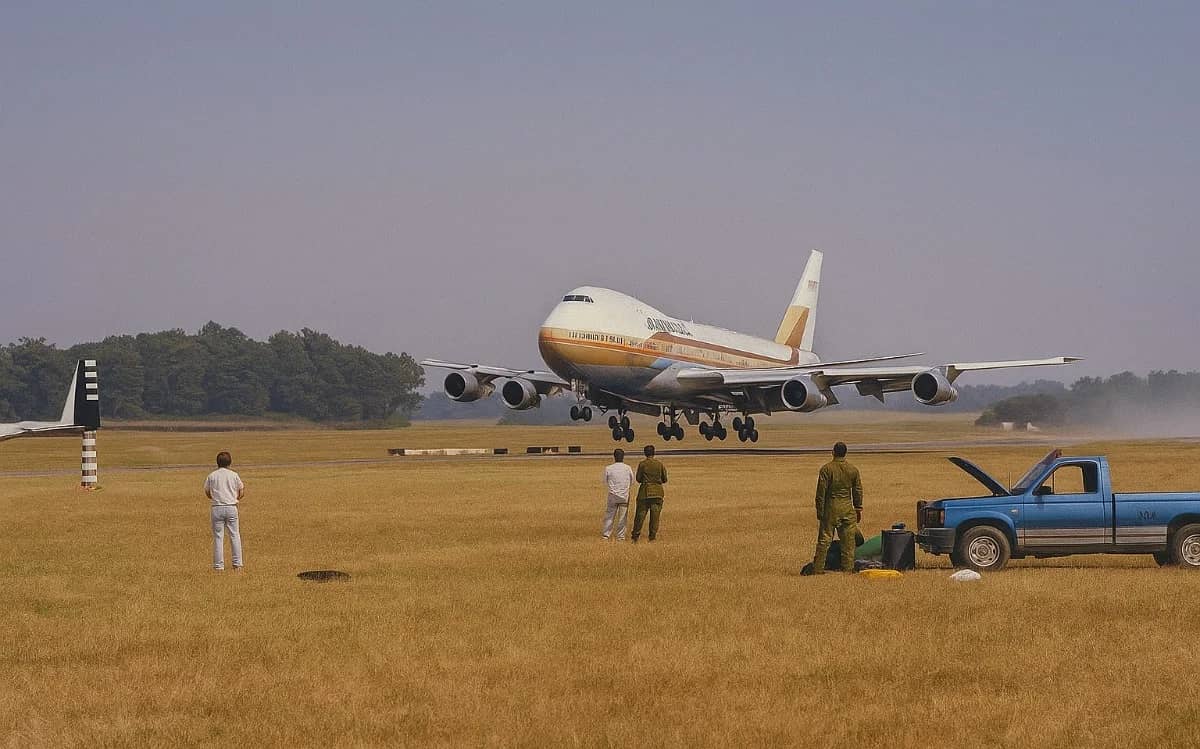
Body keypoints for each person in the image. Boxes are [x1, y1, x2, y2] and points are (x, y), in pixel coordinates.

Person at [809, 441, 863, 574]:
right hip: (847, 509)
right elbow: (857, 491)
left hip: (830, 509)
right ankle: (848, 569)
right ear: (845, 453)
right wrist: (858, 508)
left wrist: (820, 512)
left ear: (833, 452)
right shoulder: (853, 470)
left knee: (824, 540)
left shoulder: (826, 469)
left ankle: (818, 569)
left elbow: (820, 493)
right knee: (849, 543)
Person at [204, 451, 245, 571]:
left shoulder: (212, 476)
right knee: (235, 535)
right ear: (230, 462)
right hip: (232, 506)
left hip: (217, 507)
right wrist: (236, 498)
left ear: (217, 462)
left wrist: (215, 498)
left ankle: (218, 566)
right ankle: (237, 564)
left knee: (218, 537)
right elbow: (241, 490)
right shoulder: (234, 475)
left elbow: (207, 491)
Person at [631, 444, 668, 542]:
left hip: (645, 492)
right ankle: (652, 537)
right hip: (657, 492)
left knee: (640, 516)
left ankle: (635, 536)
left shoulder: (642, 464)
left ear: (645, 453)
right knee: (655, 517)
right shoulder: (659, 464)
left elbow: (638, 479)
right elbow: (665, 479)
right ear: (654, 452)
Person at [602, 448, 635, 540]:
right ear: (623, 457)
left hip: (612, 495)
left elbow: (604, 481)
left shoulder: (608, 468)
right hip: (624, 495)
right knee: (622, 517)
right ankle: (620, 537)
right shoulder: (628, 468)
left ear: (614, 457)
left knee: (609, 516)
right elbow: (632, 481)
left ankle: (606, 535)